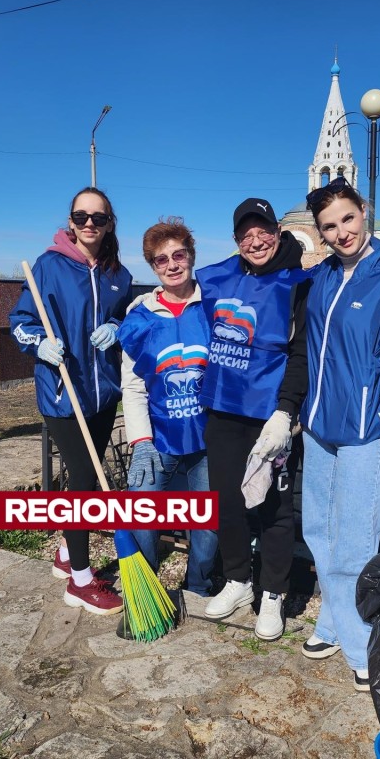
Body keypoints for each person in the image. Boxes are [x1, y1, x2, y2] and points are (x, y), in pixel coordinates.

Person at [299, 177, 380, 691]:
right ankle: (333, 623)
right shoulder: (323, 276)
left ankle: (358, 645)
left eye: (347, 219)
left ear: (364, 211)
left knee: (354, 542)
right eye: (329, 226)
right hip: (318, 427)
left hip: (362, 431)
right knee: (319, 535)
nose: (341, 232)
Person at [10, 186, 132, 615]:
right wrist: (39, 343)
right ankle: (80, 579)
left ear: (109, 222)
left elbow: (123, 316)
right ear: (71, 222)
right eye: (81, 217)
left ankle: (65, 552)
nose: (89, 225)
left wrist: (117, 326)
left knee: (89, 476)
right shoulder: (48, 267)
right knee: (82, 483)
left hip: (102, 396)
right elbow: (20, 322)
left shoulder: (120, 274)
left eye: (98, 217)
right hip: (64, 395)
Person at [196, 197, 310, 641]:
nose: (256, 240)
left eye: (263, 231)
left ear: (277, 233)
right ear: (236, 241)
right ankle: (238, 580)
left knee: (274, 509)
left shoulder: (298, 283)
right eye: (246, 234)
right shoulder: (225, 275)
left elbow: (301, 354)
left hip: (269, 416)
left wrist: (286, 412)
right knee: (226, 501)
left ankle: (273, 594)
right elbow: (184, 295)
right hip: (224, 409)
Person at [118, 217, 217, 597]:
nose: (172, 265)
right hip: (158, 435)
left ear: (191, 256)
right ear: (153, 266)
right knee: (140, 507)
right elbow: (134, 385)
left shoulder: (213, 307)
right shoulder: (139, 317)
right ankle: (145, 591)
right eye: (161, 260)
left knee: (206, 519)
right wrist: (141, 441)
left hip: (208, 435)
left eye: (179, 255)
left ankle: (199, 584)